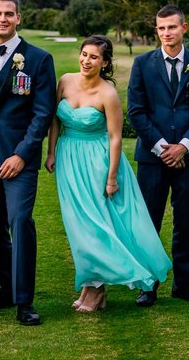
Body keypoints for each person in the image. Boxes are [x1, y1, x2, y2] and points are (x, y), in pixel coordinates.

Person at [45, 36, 171, 312]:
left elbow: (115, 138)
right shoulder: (65, 81)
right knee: (78, 226)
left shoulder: (108, 94)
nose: (86, 61)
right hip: (69, 159)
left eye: (93, 57)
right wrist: (52, 151)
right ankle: (90, 286)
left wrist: (112, 177)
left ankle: (97, 290)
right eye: (84, 54)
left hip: (98, 162)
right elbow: (54, 120)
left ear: (104, 62)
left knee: (96, 226)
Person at [0, 0, 56, 326]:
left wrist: (22, 155)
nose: (2, 19)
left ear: (19, 18)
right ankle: (6, 289)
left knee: (19, 222)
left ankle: (25, 301)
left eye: (8, 14)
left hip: (19, 159)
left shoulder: (38, 59)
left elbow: (43, 113)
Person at [127, 4, 189, 307]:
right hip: (153, 157)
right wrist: (163, 146)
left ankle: (184, 285)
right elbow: (136, 113)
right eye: (162, 28)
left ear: (184, 28)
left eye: (172, 27)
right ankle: (147, 285)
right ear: (157, 31)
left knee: (185, 222)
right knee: (149, 222)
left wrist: (185, 146)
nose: (167, 33)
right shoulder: (142, 64)